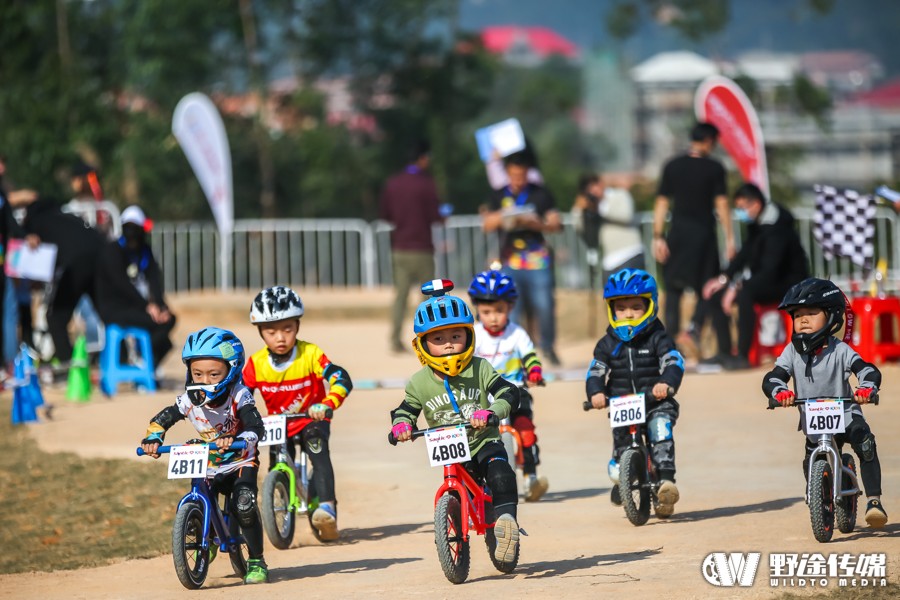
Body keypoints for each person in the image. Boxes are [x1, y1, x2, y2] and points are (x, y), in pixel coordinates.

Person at [390, 279, 521, 567]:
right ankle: (454, 528)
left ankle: (506, 521)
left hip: (483, 440)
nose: (448, 343)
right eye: (438, 339)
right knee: (456, 492)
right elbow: (405, 409)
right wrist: (401, 426)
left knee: (500, 473)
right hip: (451, 448)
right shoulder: (419, 382)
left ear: (469, 336)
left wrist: (493, 412)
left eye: (455, 335)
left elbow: (508, 392)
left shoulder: (480, 367)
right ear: (422, 344)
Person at [139, 327, 269, 584]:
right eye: (197, 373)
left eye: (213, 374)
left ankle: (256, 560)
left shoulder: (238, 394)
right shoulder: (190, 398)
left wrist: (239, 439)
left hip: (240, 459)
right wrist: (154, 438)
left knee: (243, 504)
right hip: (209, 459)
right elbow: (164, 418)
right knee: (197, 494)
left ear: (231, 370)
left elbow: (256, 426)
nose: (204, 380)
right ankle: (204, 535)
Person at [762, 278, 888, 528]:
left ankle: (874, 501)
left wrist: (866, 388)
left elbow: (868, 371)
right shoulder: (791, 352)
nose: (804, 319)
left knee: (865, 443)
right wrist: (779, 392)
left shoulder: (840, 350)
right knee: (811, 457)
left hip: (846, 412)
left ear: (831, 316)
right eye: (798, 315)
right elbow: (773, 377)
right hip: (814, 419)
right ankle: (817, 498)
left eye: (811, 313)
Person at [242, 285, 352, 542]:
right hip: (278, 425)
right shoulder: (256, 364)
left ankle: (326, 508)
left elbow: (340, 378)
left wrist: (328, 403)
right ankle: (279, 504)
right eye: (271, 332)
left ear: (298, 328)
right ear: (260, 332)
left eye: (287, 329)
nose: (280, 337)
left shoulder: (310, 354)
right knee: (275, 464)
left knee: (318, 451)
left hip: (312, 418)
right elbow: (241, 396)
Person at [585, 269, 685, 515]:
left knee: (659, 429)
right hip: (622, 404)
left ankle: (665, 482)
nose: (628, 313)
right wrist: (596, 393)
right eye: (621, 308)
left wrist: (666, 383)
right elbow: (595, 372)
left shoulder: (658, 338)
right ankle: (624, 479)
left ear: (650, 306)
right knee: (619, 453)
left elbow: (673, 362)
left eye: (635, 307)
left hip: (655, 401)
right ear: (611, 310)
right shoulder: (607, 343)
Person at [702, 184, 810, 369]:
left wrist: (737, 288)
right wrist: (722, 279)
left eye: (743, 207)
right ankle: (725, 353)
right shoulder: (756, 225)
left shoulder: (778, 228)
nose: (741, 212)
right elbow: (743, 256)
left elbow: (771, 270)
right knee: (716, 295)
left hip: (788, 283)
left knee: (746, 293)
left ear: (757, 203)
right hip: (766, 280)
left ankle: (743, 356)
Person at [653, 122, 734, 364]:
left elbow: (661, 203)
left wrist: (657, 236)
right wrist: (729, 237)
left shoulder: (672, 166)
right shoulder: (715, 168)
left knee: (673, 291)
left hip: (676, 235)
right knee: (710, 288)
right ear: (709, 141)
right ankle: (698, 331)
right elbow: (721, 205)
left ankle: (668, 349)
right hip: (703, 236)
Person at [467, 269, 548, 502]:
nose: (493, 317)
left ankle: (531, 477)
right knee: (475, 435)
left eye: (499, 311)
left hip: (514, 390)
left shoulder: (517, 333)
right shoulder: (474, 335)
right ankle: (477, 481)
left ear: (510, 307)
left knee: (525, 430)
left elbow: (530, 356)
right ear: (477, 310)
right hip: (483, 394)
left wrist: (534, 371)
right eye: (486, 312)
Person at [482, 153, 562, 365]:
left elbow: (556, 224)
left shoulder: (541, 194)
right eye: (514, 175)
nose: (518, 180)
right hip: (509, 260)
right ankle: (514, 353)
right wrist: (505, 216)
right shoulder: (497, 195)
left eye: (522, 176)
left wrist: (537, 224)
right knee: (511, 309)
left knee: (544, 305)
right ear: (507, 174)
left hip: (537, 260)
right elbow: (486, 224)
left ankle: (548, 347)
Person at [14, 194, 105, 364]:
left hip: (76, 265)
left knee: (55, 318)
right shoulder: (66, 217)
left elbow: (39, 263)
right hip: (101, 258)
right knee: (106, 313)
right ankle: (121, 356)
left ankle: (67, 361)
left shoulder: (35, 223)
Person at [379, 140, 444, 354]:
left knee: (400, 296)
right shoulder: (427, 184)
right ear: (423, 158)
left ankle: (395, 339)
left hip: (400, 247)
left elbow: (386, 214)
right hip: (422, 248)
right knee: (427, 298)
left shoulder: (393, 183)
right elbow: (436, 216)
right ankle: (430, 340)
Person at [94, 206, 176, 370]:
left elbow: (154, 281)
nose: (132, 233)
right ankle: (140, 359)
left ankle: (145, 365)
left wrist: (161, 306)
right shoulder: (112, 251)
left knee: (169, 323)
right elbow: (121, 285)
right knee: (158, 327)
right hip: (113, 308)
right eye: (129, 227)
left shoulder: (145, 251)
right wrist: (147, 306)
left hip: (137, 307)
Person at [572, 172, 645, 281]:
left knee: (632, 296)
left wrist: (600, 207)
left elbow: (626, 216)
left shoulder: (620, 195)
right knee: (613, 297)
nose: (593, 193)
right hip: (609, 261)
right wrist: (578, 209)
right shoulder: (591, 208)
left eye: (594, 187)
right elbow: (577, 227)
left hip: (630, 254)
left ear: (601, 184)